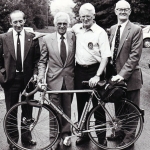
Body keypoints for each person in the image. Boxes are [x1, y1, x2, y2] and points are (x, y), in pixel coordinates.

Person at [71, 3, 111, 146]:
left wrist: (98, 76)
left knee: (98, 106)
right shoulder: (76, 29)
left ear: (93, 16)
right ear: (79, 17)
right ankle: (85, 135)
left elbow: (106, 56)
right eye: (82, 16)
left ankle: (101, 138)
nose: (85, 19)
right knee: (82, 105)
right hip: (80, 71)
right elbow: (60, 32)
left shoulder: (100, 32)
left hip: (95, 70)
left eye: (88, 16)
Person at [0, 10, 40, 150]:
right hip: (10, 80)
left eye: (20, 21)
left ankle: (26, 137)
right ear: (10, 23)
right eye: (15, 22)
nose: (18, 24)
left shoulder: (32, 37)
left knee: (27, 110)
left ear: (24, 21)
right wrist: (2, 74)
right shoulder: (3, 38)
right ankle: (13, 141)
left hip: (28, 80)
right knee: (11, 111)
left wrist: (35, 73)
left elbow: (37, 59)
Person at [106, 0, 143, 146]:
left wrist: (121, 75)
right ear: (115, 11)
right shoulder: (113, 28)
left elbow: (134, 56)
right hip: (115, 77)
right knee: (119, 106)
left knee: (132, 110)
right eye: (119, 9)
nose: (122, 11)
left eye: (125, 9)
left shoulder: (136, 29)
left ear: (130, 11)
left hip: (130, 77)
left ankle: (129, 139)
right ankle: (119, 132)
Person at [38, 12, 76, 150]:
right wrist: (41, 77)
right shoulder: (47, 39)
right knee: (53, 111)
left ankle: (66, 135)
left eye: (64, 23)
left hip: (69, 80)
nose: (62, 26)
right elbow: (42, 61)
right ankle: (54, 138)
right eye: (59, 23)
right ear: (55, 25)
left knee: (66, 109)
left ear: (68, 25)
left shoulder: (73, 37)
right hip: (53, 81)